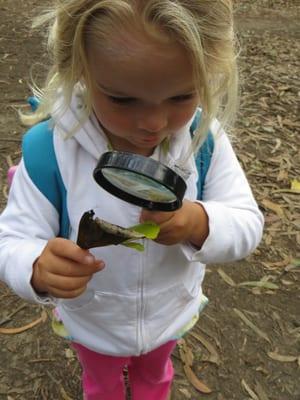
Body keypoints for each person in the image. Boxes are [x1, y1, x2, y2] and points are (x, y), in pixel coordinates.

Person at [0, 1, 264, 399]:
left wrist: (200, 222)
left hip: (169, 313)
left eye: (181, 97)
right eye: (122, 100)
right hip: (94, 323)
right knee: (101, 382)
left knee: (156, 376)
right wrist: (34, 265)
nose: (153, 124)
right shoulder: (51, 150)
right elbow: (12, 239)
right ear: (80, 68)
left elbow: (247, 221)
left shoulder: (203, 141)